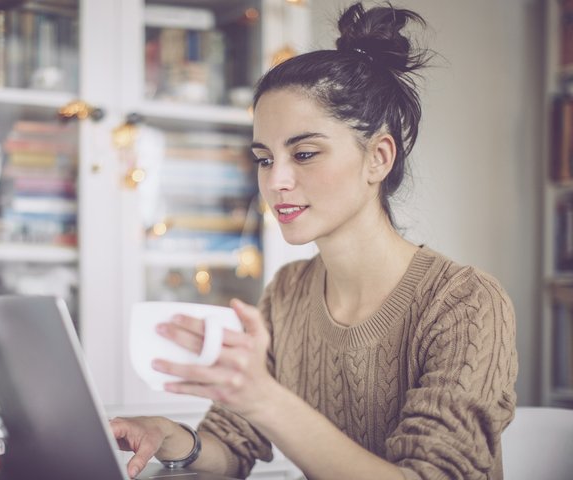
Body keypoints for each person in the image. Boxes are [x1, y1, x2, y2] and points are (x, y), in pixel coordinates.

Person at [110, 2, 518, 479]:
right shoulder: (287, 293)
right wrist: (168, 435)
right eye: (264, 159)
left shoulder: (465, 303)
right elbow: (232, 445)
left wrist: (263, 396)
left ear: (378, 158)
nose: (277, 180)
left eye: (304, 153)